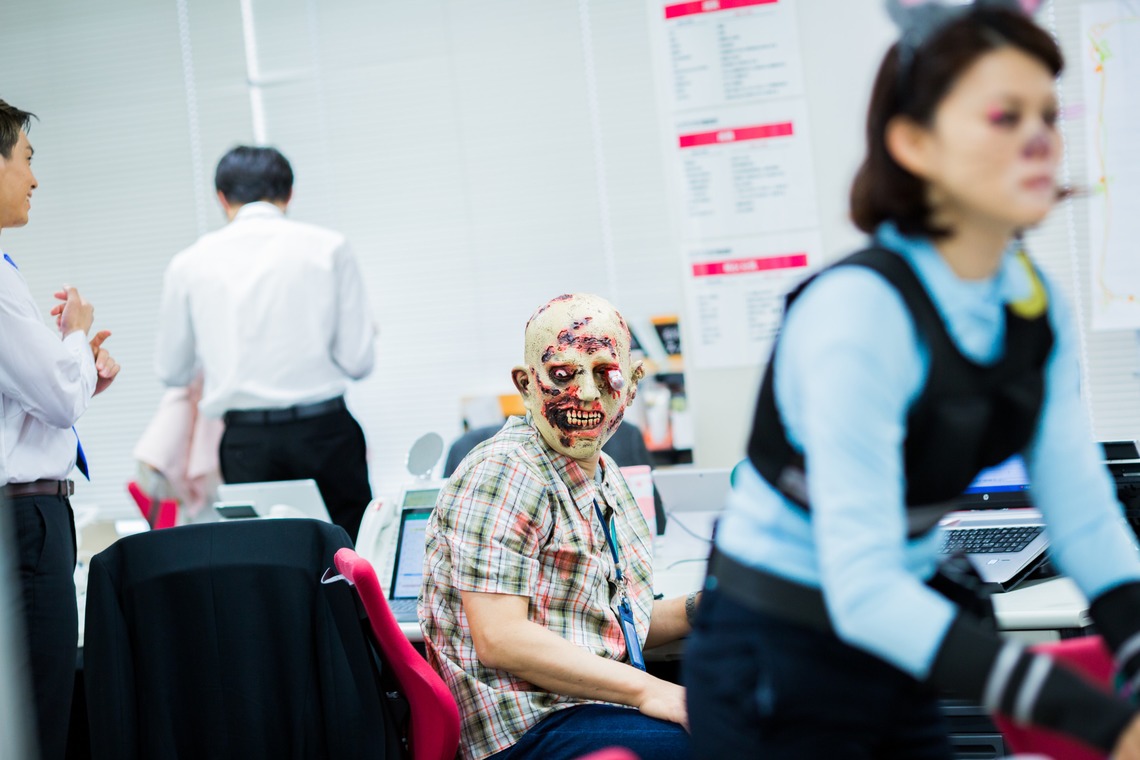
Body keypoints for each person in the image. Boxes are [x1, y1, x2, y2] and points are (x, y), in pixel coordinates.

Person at [684, 3, 1140, 758]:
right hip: (772, 654)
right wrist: (1092, 719)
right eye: (1003, 114)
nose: (1039, 139)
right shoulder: (860, 313)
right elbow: (861, 585)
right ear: (914, 142)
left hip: (900, 631)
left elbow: (1086, 523)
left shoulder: (1031, 306)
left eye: (1047, 114)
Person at [421, 293, 695, 760]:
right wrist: (651, 691)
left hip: (583, 702)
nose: (586, 392)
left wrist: (704, 608)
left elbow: (608, 625)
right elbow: (500, 639)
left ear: (631, 383)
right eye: (562, 375)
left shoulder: (602, 470)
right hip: (528, 724)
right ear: (527, 385)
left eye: (606, 372)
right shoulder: (507, 469)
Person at [155, 146, 377, 541]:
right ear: (289, 194)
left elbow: (173, 371)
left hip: (246, 443)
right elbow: (357, 362)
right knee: (349, 563)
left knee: (265, 566)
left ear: (222, 199)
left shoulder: (189, 263)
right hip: (326, 434)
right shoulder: (330, 248)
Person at [0, 99, 120, 760]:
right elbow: (56, 397)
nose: (34, 179)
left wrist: (75, 368)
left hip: (21, 519)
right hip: (22, 524)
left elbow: (37, 398)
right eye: (26, 159)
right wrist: (74, 340)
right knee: (40, 724)